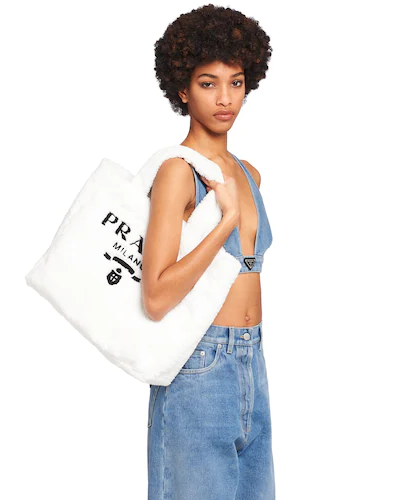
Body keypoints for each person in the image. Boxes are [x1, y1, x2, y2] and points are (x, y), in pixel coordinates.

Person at [142, 4, 275, 499]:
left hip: (252, 361)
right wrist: (225, 224)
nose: (225, 98)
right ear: (182, 89)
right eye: (208, 83)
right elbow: (156, 296)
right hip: (199, 367)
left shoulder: (249, 173)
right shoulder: (179, 172)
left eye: (235, 83)